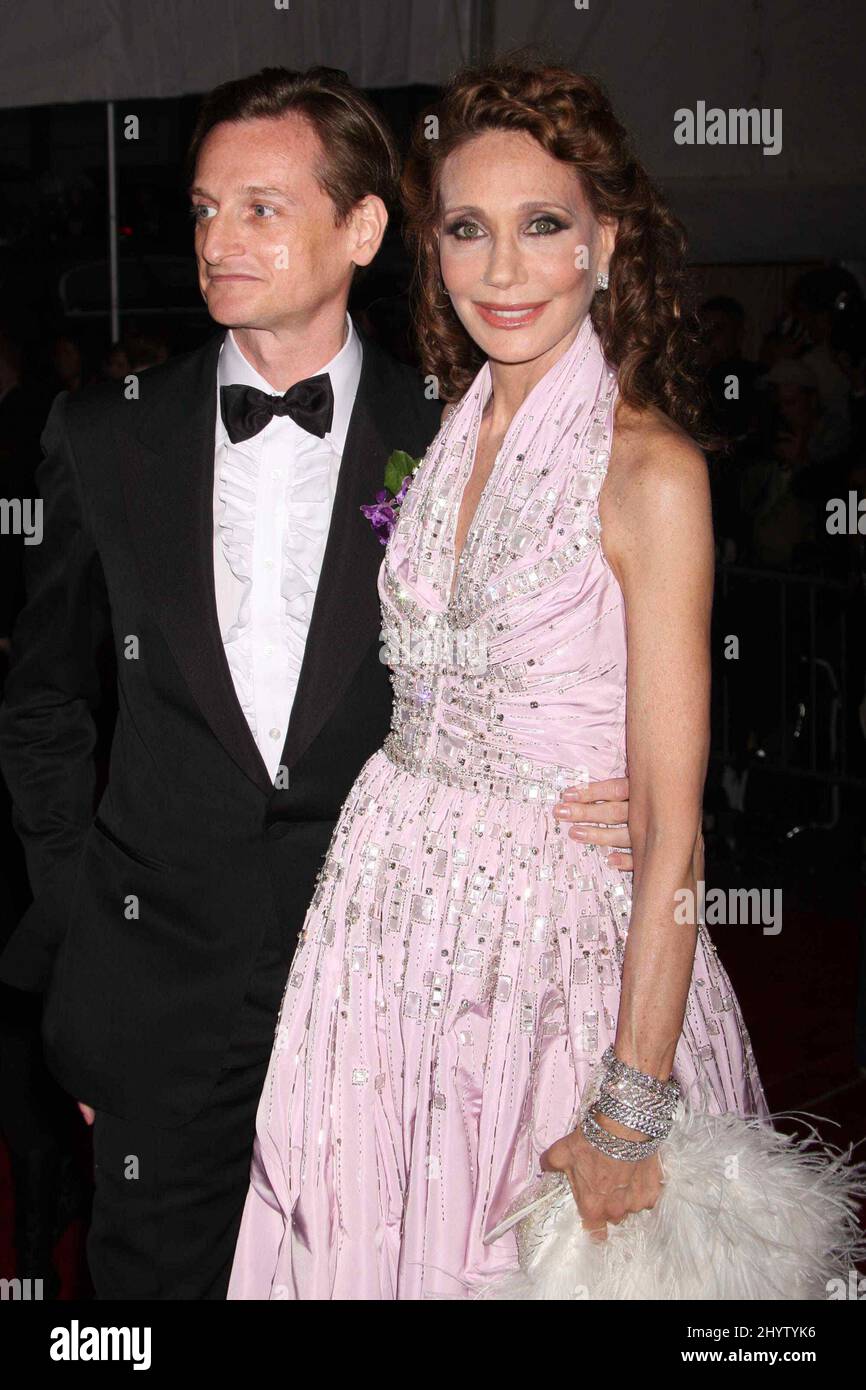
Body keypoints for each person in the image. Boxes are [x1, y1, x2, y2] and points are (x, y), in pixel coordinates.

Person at [0, 66, 629, 1301]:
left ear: (362, 229)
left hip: (387, 984)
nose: (217, 242)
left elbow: (548, 667)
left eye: (260, 208)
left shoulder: (455, 431)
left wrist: (633, 799)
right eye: (201, 210)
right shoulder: (103, 434)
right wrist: (80, 954)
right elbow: (45, 706)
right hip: (156, 988)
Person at [227, 58, 771, 1302]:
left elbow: (673, 838)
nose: (502, 270)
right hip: (380, 936)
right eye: (467, 231)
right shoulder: (450, 429)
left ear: (605, 242)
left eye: (543, 227)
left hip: (550, 963)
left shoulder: (650, 472)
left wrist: (631, 1103)